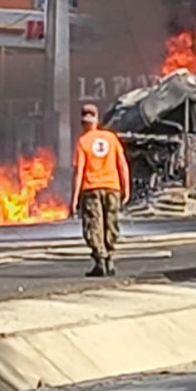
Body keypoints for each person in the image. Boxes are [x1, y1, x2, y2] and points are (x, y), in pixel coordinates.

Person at [70, 103, 131, 277]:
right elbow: (122, 164)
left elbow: (78, 172)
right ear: (97, 120)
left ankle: (100, 260)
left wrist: (74, 199)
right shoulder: (111, 138)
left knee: (94, 226)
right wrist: (126, 187)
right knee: (111, 223)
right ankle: (110, 259)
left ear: (83, 123)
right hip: (112, 188)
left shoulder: (83, 142)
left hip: (91, 189)